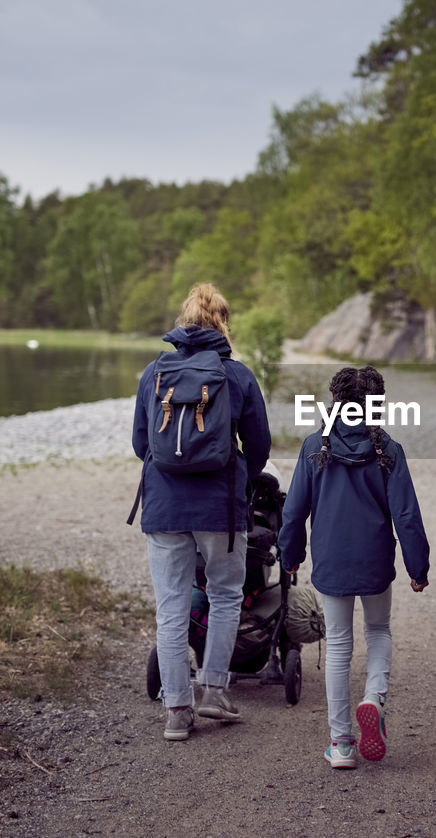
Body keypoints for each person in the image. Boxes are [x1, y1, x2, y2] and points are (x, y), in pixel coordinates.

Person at [131, 283, 271, 742]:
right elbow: (260, 447)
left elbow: (140, 444)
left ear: (183, 320)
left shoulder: (154, 373)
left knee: (171, 609)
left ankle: (176, 711)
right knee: (226, 595)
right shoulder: (238, 377)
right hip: (219, 508)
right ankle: (212, 690)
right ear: (224, 323)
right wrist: (237, 477)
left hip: (165, 507)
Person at [278, 366, 430, 770]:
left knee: (339, 645)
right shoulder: (388, 450)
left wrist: (289, 555)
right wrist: (418, 566)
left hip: (330, 561)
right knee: (378, 630)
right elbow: (407, 514)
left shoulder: (315, 446)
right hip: (375, 558)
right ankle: (373, 698)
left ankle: (341, 743)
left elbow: (293, 512)